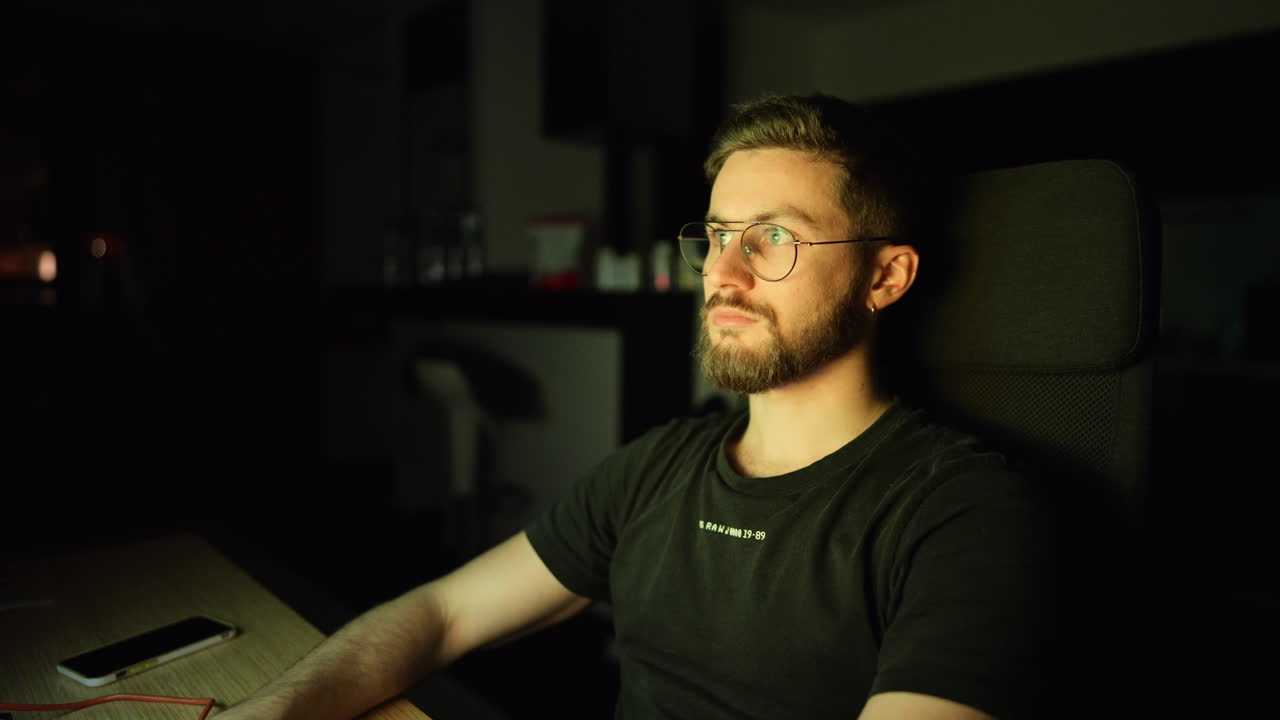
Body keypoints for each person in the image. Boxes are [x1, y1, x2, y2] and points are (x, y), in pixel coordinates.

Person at [221, 94, 1073, 720]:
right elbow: (441, 614)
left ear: (884, 276)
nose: (721, 274)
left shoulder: (961, 513)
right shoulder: (659, 464)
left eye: (773, 237)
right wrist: (277, 709)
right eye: (717, 235)